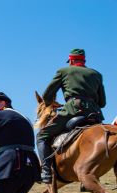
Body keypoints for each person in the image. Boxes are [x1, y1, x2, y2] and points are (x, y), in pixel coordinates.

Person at [37, 49, 106, 184]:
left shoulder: (63, 71)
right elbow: (102, 103)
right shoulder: (97, 74)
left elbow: (46, 95)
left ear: (71, 60)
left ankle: (45, 170)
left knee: (42, 136)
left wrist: (50, 103)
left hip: (72, 110)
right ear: (83, 61)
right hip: (95, 113)